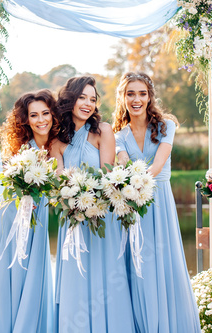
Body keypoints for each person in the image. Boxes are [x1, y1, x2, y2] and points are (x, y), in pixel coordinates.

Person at [112, 72, 201, 332]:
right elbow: (122, 164)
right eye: (130, 93)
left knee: (164, 263)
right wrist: (130, 180)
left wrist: (137, 180)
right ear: (123, 97)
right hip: (134, 207)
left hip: (159, 202)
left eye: (142, 93)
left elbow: (158, 163)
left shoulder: (166, 126)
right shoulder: (118, 135)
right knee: (138, 265)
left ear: (150, 96)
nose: (136, 99)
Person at [50, 76, 135, 333]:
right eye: (82, 97)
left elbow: (107, 175)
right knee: (75, 281)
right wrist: (72, 197)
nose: (88, 103)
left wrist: (89, 196)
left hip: (101, 218)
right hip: (73, 220)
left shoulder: (103, 131)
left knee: (105, 282)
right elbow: (58, 179)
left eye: (93, 99)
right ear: (70, 99)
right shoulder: (56, 140)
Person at [0, 89, 57, 333]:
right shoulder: (21, 149)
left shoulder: (57, 146)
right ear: (26, 119)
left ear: (53, 114)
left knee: (34, 274)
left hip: (37, 217)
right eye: (34, 115)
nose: (41, 120)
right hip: (12, 218)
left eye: (45, 113)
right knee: (8, 277)